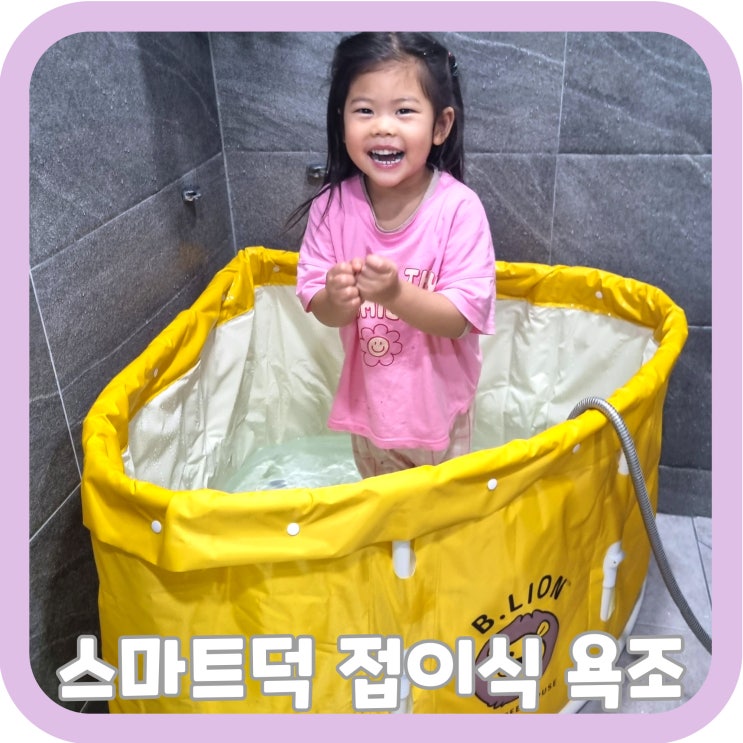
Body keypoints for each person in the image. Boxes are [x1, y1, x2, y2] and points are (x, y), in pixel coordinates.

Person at [294, 32, 496, 480]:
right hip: (370, 414)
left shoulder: (458, 209)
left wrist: (394, 294)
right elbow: (319, 307)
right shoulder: (332, 207)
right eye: (364, 110)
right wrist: (336, 299)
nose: (382, 126)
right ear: (341, 120)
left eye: (404, 111)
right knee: (383, 511)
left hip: (441, 415)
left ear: (440, 126)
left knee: (440, 512)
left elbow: (460, 318)